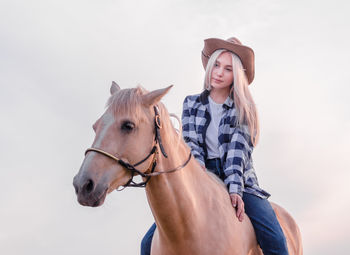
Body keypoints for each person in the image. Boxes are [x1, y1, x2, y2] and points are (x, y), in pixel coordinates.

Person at [141, 37, 288, 255]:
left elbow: (237, 155)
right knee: (147, 243)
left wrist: (235, 190)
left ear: (236, 76)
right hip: (200, 174)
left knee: (274, 237)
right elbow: (190, 142)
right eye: (216, 65)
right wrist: (198, 172)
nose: (218, 72)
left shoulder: (243, 110)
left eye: (228, 69)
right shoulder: (191, 103)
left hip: (239, 179)